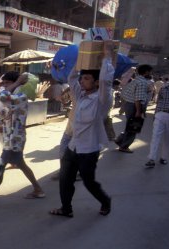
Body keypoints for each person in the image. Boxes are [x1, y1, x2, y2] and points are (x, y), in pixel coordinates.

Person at [50, 41, 115, 218]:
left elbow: (105, 81)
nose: (82, 81)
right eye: (83, 78)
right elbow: (71, 79)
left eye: (86, 78)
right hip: (73, 146)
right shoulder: (80, 96)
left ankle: (105, 201)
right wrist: (80, 62)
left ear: (95, 82)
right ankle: (66, 208)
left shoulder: (102, 100)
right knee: (65, 179)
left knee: (88, 181)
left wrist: (107, 56)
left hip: (89, 150)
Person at [0, 72, 45, 206]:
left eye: (7, 83)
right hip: (11, 140)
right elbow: (0, 117)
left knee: (1, 166)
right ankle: (38, 189)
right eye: (4, 84)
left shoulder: (20, 97)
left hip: (15, 140)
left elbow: (2, 97)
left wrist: (17, 82)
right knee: (22, 165)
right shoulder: (12, 99)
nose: (4, 87)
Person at [115, 64, 153, 153]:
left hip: (129, 104)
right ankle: (124, 146)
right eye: (150, 72)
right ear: (146, 72)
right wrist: (138, 112)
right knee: (134, 127)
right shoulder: (142, 83)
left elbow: (124, 93)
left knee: (130, 125)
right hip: (134, 106)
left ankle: (120, 140)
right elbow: (138, 99)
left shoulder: (136, 80)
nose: (151, 73)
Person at [145, 70, 169, 168]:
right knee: (155, 136)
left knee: (168, 139)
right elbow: (159, 102)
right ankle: (151, 159)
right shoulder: (164, 88)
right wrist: (155, 114)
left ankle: (163, 157)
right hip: (161, 114)